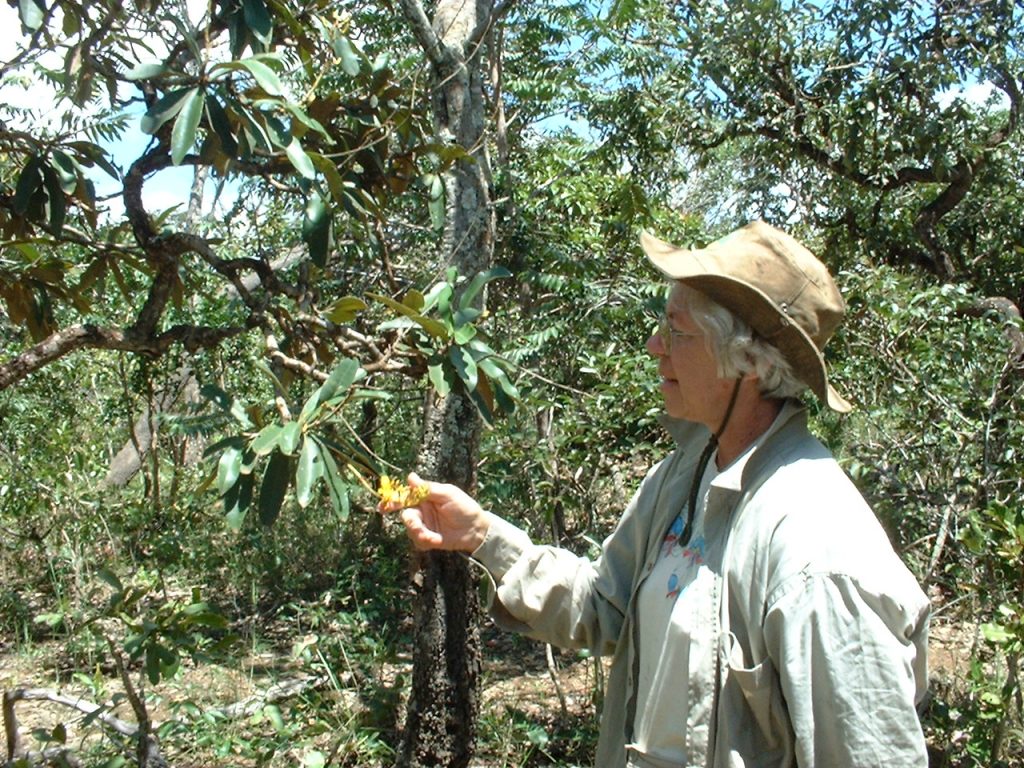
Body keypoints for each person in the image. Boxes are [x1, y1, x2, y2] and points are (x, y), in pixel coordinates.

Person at [385, 221, 930, 767]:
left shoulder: (817, 550)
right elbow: (603, 606)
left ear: (748, 361)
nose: (654, 347)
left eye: (677, 331)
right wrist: (481, 535)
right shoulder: (682, 477)